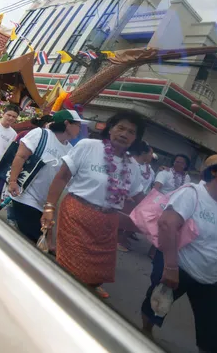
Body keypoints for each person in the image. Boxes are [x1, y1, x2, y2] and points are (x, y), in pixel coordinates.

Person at [140, 155, 217, 353]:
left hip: (210, 277)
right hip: (181, 266)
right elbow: (167, 224)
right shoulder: (193, 193)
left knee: (213, 329)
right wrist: (171, 267)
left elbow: (213, 240)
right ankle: (143, 334)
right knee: (156, 306)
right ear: (216, 172)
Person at [40, 110, 146, 299]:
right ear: (110, 129)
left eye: (131, 131)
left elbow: (139, 199)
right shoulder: (88, 146)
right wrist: (49, 207)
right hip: (77, 215)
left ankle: (87, 290)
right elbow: (62, 177)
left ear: (135, 138)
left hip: (107, 225)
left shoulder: (133, 166)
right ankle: (59, 299)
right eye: (120, 128)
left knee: (96, 272)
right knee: (71, 269)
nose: (124, 134)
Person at [6, 110, 86, 244]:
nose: (80, 129)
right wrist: (12, 181)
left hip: (45, 207)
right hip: (25, 196)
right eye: (78, 125)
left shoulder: (71, 150)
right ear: (67, 124)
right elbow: (21, 156)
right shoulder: (41, 134)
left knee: (33, 241)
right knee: (30, 239)